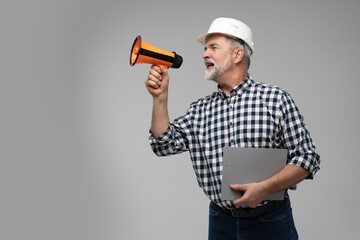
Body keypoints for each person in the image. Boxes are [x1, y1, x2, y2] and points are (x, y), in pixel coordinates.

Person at [145, 17, 320, 240]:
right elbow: (163, 145)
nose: (204, 54)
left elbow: (308, 157)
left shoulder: (275, 99)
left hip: (271, 221)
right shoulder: (199, 110)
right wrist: (160, 98)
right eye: (205, 48)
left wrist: (265, 188)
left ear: (237, 55)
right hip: (221, 223)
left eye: (213, 48)